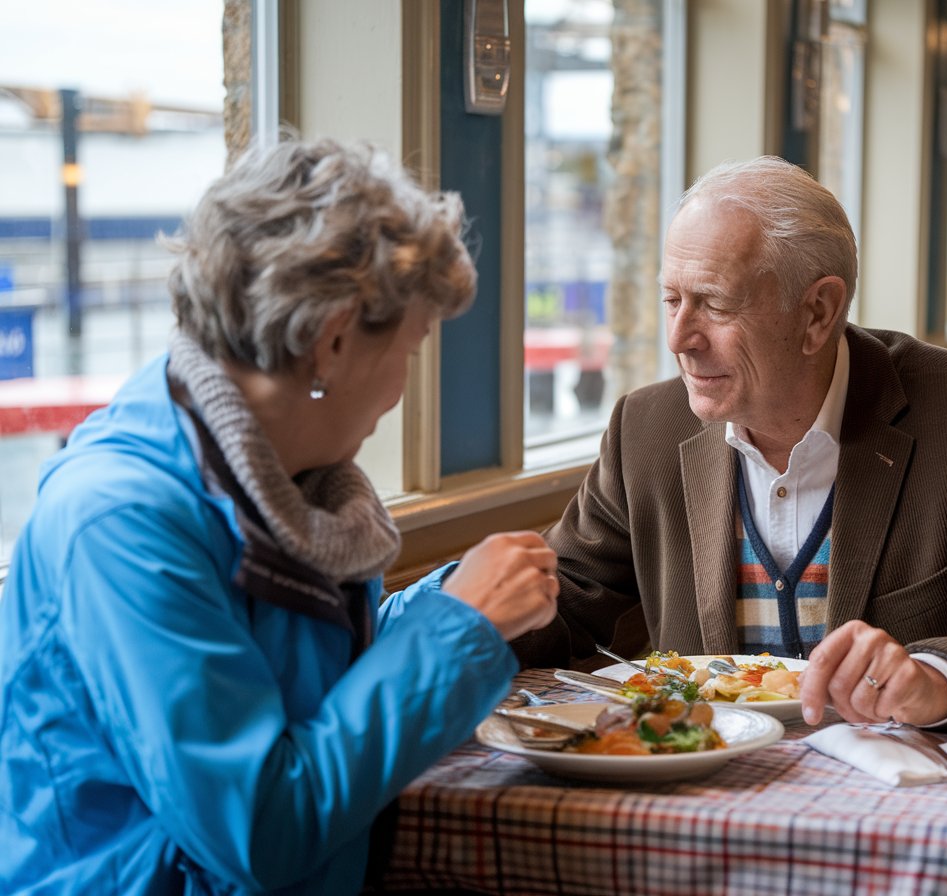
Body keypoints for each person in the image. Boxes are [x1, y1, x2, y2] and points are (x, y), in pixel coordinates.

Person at [0, 138, 558, 894]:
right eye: (413, 347)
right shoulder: (120, 523)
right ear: (332, 341)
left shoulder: (274, 481)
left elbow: (295, 693)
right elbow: (260, 831)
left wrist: (450, 605)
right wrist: (458, 630)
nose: (402, 388)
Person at [514, 155, 947, 733]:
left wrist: (933, 676)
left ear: (818, 312)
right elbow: (562, 604)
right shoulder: (646, 428)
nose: (679, 338)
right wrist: (450, 611)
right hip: (705, 795)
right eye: (672, 299)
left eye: (715, 304)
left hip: (897, 805)